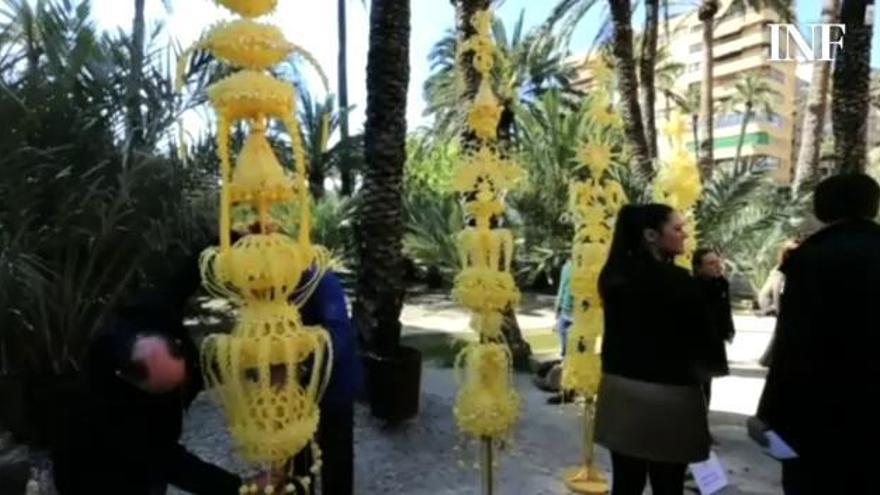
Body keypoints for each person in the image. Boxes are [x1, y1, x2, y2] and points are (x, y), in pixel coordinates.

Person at [51, 253, 243, 494]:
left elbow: (186, 276)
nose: (183, 387)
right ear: (128, 379)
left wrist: (229, 239)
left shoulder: (150, 314)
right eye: (168, 389)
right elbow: (171, 462)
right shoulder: (108, 404)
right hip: (91, 474)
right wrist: (241, 488)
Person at [756, 173, 880, 494]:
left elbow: (793, 342)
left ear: (823, 208)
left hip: (818, 410)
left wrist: (769, 412)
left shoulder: (812, 258)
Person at [594, 204, 711, 495]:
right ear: (650, 235)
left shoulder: (612, 276)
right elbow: (704, 339)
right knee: (668, 483)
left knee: (626, 481)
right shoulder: (680, 282)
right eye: (677, 228)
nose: (684, 235)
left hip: (620, 392)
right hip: (671, 397)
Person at [692, 247, 735, 407]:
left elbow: (725, 309)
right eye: (710, 264)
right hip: (698, 340)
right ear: (698, 267)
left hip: (715, 339)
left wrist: (729, 329)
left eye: (717, 262)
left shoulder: (721, 284)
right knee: (698, 383)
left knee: (708, 381)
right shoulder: (693, 286)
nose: (717, 267)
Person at [546, 259, 575, 404]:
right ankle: (566, 389)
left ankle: (569, 391)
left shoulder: (592, 267)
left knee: (574, 355)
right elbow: (562, 287)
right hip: (565, 314)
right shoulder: (568, 267)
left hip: (581, 318)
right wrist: (558, 308)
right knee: (565, 354)